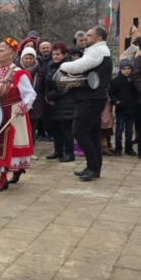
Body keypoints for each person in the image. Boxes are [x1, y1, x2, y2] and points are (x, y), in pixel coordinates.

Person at [0, 39, 36, 192]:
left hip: (12, 113)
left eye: (2, 50)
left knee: (7, 144)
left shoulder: (18, 74)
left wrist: (23, 106)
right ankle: (15, 170)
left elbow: (30, 94)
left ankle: (3, 178)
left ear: (12, 53)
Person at [59, 27, 112, 181]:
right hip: (93, 97)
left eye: (89, 35)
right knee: (93, 134)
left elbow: (77, 67)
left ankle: (92, 166)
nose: (84, 38)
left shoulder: (97, 51)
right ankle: (94, 168)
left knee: (79, 132)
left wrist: (63, 65)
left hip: (91, 98)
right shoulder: (99, 50)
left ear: (99, 39)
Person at [45, 43, 76, 162]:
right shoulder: (52, 66)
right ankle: (58, 151)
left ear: (65, 54)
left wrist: (50, 96)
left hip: (66, 103)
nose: (55, 56)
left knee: (66, 131)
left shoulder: (69, 67)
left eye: (58, 54)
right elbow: (48, 83)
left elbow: (65, 85)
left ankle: (69, 153)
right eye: (53, 54)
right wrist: (47, 97)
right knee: (56, 129)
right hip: (54, 104)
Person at [16, 47, 45, 144]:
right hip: (19, 102)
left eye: (31, 58)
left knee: (32, 127)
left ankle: (31, 148)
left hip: (36, 103)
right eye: (26, 58)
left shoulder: (40, 71)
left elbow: (42, 88)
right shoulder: (16, 71)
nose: (28, 60)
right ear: (22, 58)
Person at [110, 60, 138, 156]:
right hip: (121, 109)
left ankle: (129, 148)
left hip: (131, 109)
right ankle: (118, 148)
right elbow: (111, 94)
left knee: (129, 130)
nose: (127, 71)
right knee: (119, 129)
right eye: (124, 69)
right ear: (120, 69)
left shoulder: (134, 81)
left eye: (129, 68)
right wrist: (117, 101)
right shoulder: (115, 81)